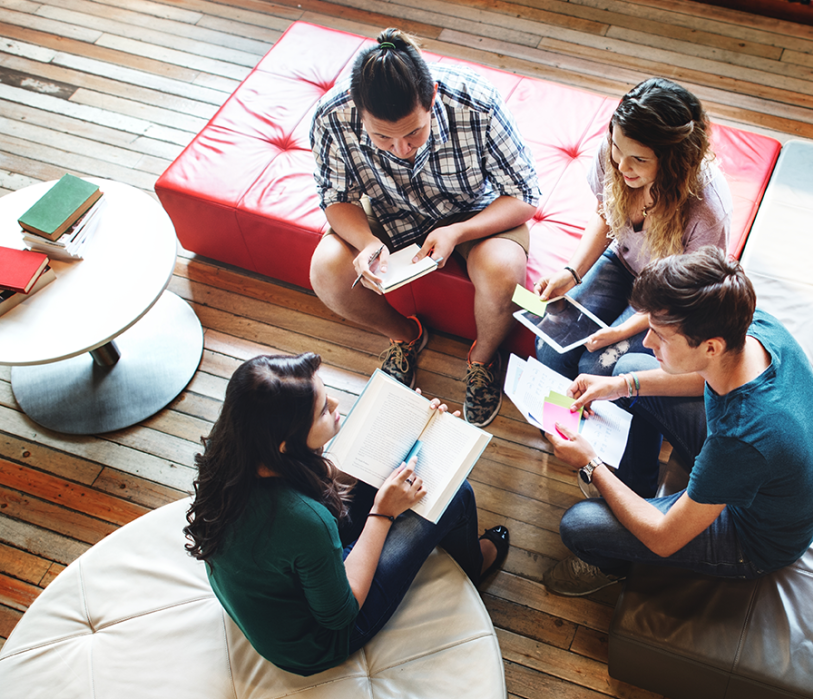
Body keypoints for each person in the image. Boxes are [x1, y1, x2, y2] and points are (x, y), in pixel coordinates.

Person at [183, 353, 510, 676]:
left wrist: (408, 430)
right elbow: (340, 615)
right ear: (285, 443)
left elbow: (322, 480)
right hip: (317, 640)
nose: (337, 404)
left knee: (393, 472)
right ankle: (473, 567)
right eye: (324, 409)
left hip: (279, 585)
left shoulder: (231, 449)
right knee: (456, 495)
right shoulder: (304, 519)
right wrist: (383, 512)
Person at [540, 247, 813, 597]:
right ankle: (638, 486)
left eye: (661, 337)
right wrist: (619, 387)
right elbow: (706, 378)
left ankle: (613, 566)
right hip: (762, 472)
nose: (648, 342)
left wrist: (591, 464)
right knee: (628, 370)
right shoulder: (751, 323)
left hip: (755, 538)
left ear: (710, 347)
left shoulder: (740, 439)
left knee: (578, 526)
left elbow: (664, 538)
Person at [309, 28, 541, 427]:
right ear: (358, 110)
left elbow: (525, 195)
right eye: (383, 137)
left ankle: (483, 359)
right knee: (325, 270)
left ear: (432, 97)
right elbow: (335, 197)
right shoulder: (332, 117)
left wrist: (459, 232)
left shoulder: (477, 103)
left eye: (414, 132)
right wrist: (365, 242)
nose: (402, 149)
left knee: (504, 273)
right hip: (386, 211)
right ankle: (404, 335)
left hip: (474, 212)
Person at [535, 78, 732, 379]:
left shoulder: (707, 209)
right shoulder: (613, 154)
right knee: (551, 344)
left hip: (671, 292)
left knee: (599, 366)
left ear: (673, 163)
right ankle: (554, 426)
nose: (622, 166)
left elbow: (685, 293)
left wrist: (620, 332)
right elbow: (605, 213)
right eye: (617, 147)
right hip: (622, 262)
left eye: (639, 159)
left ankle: (581, 425)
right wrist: (572, 273)